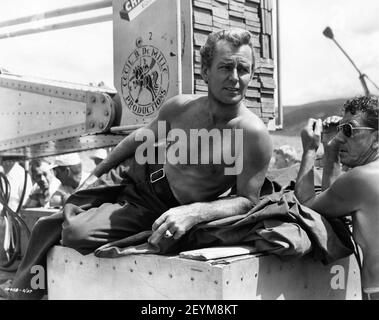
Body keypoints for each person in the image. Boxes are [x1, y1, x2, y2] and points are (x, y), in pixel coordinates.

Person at [0, 28, 272, 299]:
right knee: (46, 224)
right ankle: (21, 294)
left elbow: (247, 200)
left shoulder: (253, 135)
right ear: (205, 72)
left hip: (156, 208)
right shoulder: (180, 107)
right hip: (136, 172)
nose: (235, 78)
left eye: (243, 69)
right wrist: (95, 175)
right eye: (226, 67)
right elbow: (136, 141)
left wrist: (195, 212)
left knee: (74, 232)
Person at [294, 95, 379, 300]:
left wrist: (310, 149)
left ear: (376, 138)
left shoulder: (362, 179)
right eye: (341, 130)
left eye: (349, 130)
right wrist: (331, 149)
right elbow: (334, 200)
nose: (341, 138)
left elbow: (307, 204)